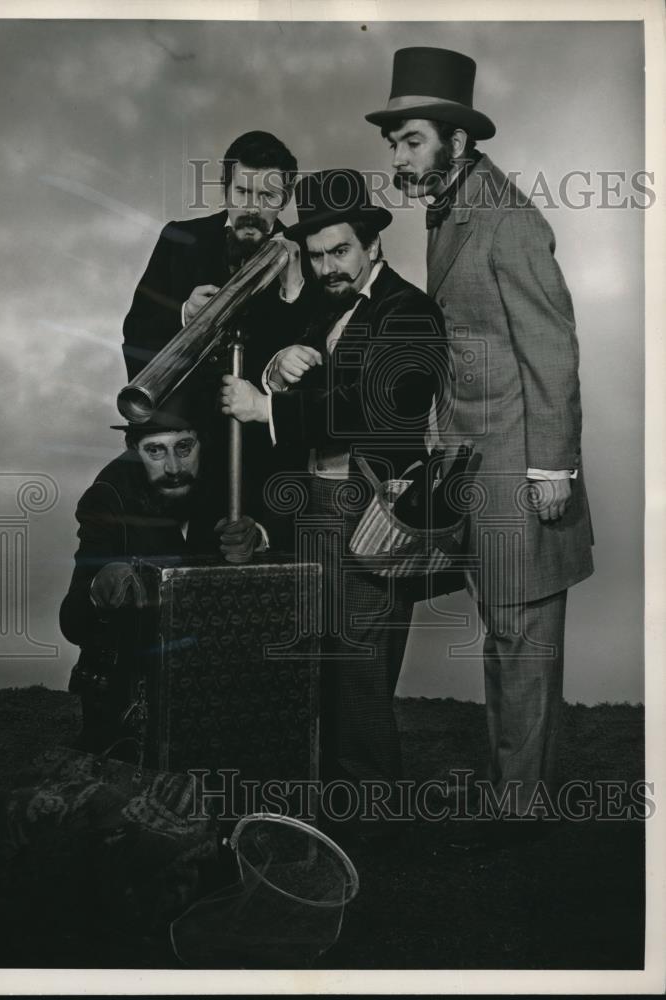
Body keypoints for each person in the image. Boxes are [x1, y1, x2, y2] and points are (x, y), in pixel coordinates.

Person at [366, 47, 595, 837]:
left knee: (522, 639)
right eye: (393, 142)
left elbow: (554, 350)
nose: (397, 156)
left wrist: (552, 467)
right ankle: (510, 786)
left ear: (458, 143)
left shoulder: (507, 220)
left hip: (522, 469)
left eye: (412, 141)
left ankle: (520, 809)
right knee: (503, 634)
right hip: (477, 466)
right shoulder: (451, 208)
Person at [219, 168, 452, 823]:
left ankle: (374, 820)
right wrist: (279, 363)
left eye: (340, 251)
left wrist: (267, 408)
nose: (328, 267)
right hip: (310, 508)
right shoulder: (325, 305)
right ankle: (327, 807)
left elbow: (375, 407)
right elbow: (295, 362)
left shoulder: (410, 310)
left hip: (370, 510)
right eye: (316, 256)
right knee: (316, 665)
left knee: (359, 674)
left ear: (372, 242)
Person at [121, 131, 306, 537]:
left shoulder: (307, 253)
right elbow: (135, 333)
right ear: (225, 190)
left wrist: (294, 294)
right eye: (242, 192)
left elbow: (317, 365)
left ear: (286, 200)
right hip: (188, 459)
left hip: (269, 464)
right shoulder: (179, 239)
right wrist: (184, 314)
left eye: (268, 197)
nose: (252, 208)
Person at [60, 387, 264, 756]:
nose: (173, 468)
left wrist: (259, 539)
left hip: (214, 682)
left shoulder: (230, 483)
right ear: (132, 448)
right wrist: (99, 590)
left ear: (203, 442)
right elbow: (73, 623)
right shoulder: (106, 498)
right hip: (133, 682)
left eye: (184, 448)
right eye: (155, 451)